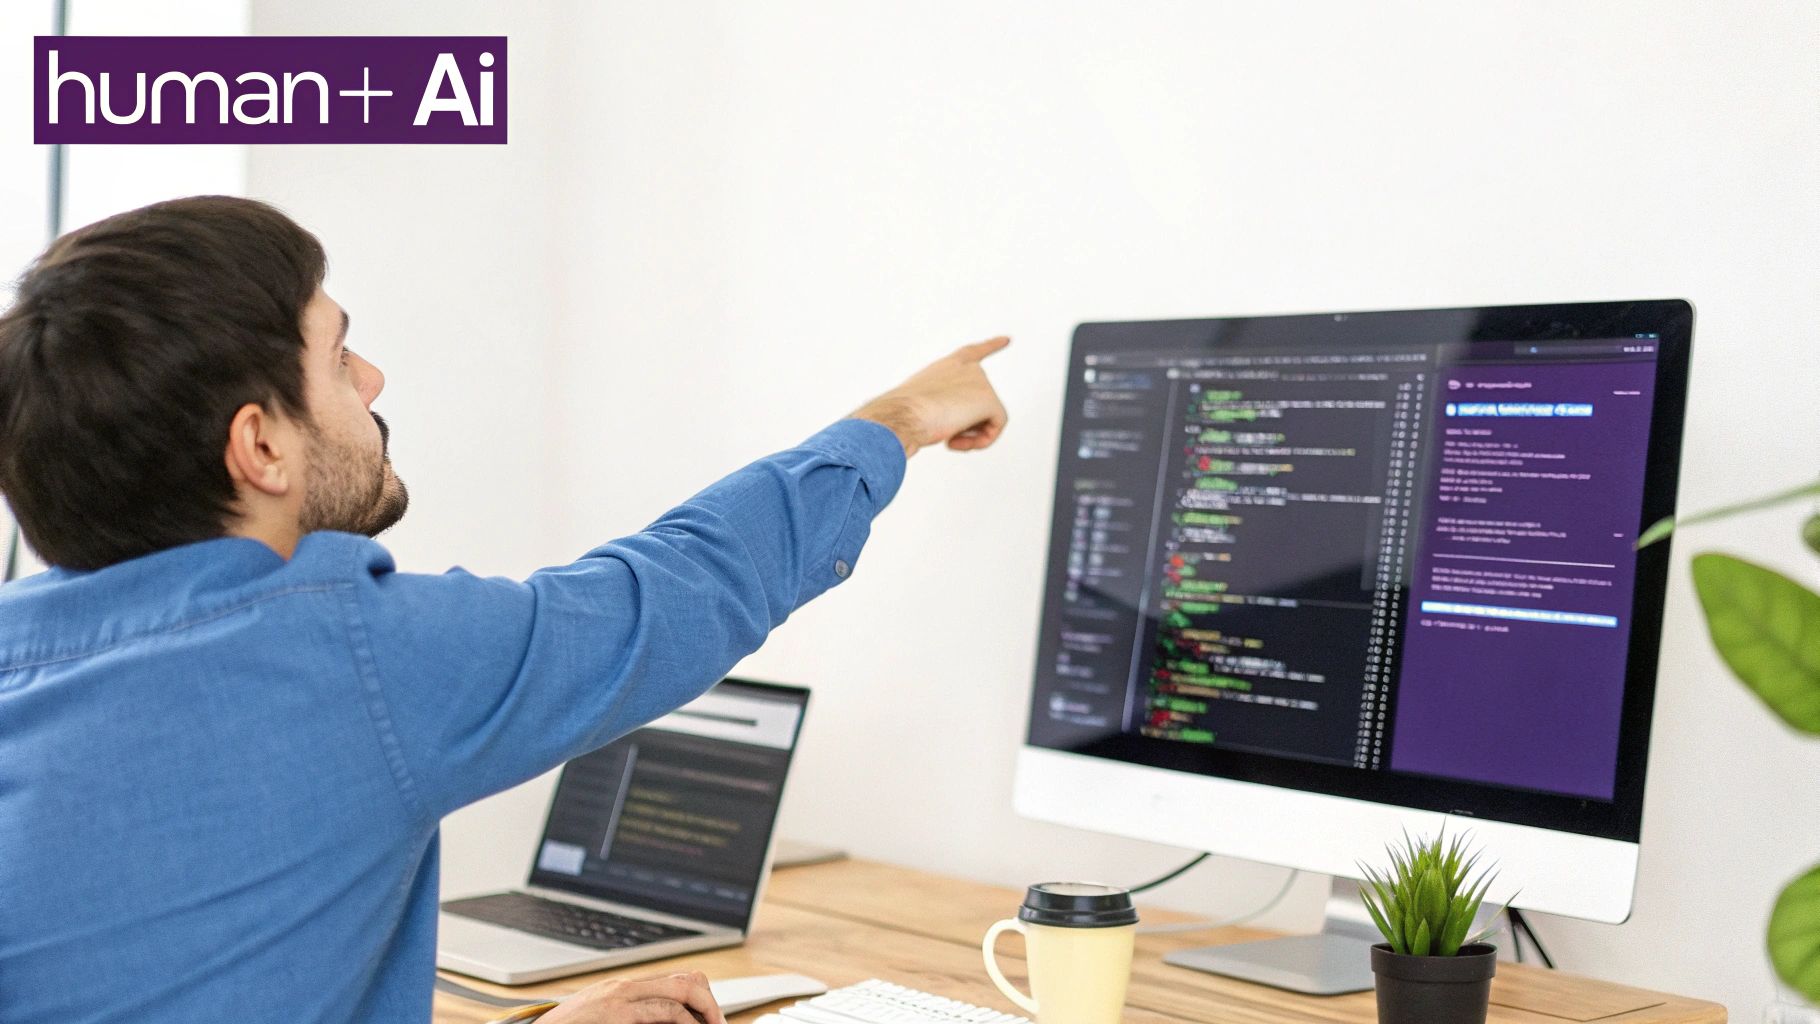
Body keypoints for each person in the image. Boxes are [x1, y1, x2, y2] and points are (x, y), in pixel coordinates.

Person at [0, 196, 1010, 1024]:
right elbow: (669, 593)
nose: (373, 378)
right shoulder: (343, 652)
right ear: (260, 446)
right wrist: (898, 420)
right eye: (339, 356)